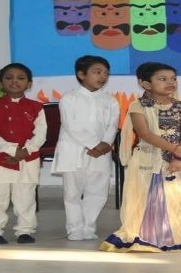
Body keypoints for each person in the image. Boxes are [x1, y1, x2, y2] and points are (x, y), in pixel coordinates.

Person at [101, 62, 181, 252]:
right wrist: (176, 150)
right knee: (151, 198)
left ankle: (179, 234)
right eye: (163, 79)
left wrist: (180, 157)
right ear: (145, 84)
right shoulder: (138, 106)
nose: (170, 82)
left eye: (173, 79)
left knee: (178, 198)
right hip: (149, 160)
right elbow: (146, 134)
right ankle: (150, 234)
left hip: (178, 161)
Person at [51, 55, 119, 241]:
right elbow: (71, 125)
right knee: (72, 192)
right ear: (81, 75)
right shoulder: (69, 98)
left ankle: (88, 226)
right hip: (73, 150)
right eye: (97, 72)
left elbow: (112, 125)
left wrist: (105, 144)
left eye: (106, 73)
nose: (103, 76)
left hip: (101, 152)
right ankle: (74, 228)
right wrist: (94, 144)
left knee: (98, 191)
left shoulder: (110, 100)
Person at [0, 63, 47, 245]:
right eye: (9, 78)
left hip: (27, 159)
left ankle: (25, 230)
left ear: (29, 84)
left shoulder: (36, 107)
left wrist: (25, 151)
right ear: (0, 83)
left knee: (25, 197)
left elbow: (41, 134)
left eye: (21, 78)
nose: (14, 81)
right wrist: (11, 150)